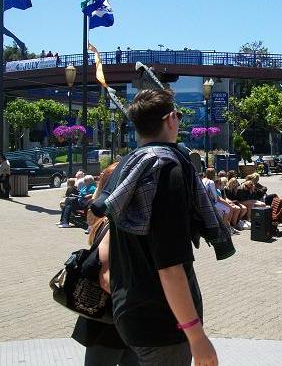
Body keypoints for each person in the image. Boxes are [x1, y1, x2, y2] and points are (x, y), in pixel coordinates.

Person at [90, 88, 223, 365]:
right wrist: (196, 336)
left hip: (129, 313)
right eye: (178, 114)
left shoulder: (128, 165)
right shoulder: (166, 169)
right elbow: (170, 266)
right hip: (163, 322)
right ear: (170, 119)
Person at [71, 163, 137, 366]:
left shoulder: (109, 221)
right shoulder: (113, 225)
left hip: (111, 318)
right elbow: (106, 276)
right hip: (113, 318)